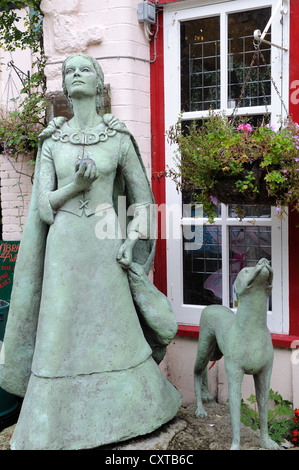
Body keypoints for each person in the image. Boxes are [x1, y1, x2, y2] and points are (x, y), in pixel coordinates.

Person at [0, 54, 182, 450]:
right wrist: (74, 188)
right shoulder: (52, 140)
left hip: (106, 249)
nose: (76, 74)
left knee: (115, 330)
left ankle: (137, 410)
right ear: (65, 86)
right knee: (60, 333)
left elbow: (144, 204)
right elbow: (43, 207)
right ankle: (52, 427)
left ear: (99, 83)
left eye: (85, 69)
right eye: (69, 71)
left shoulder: (117, 138)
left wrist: (132, 241)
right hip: (63, 251)